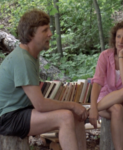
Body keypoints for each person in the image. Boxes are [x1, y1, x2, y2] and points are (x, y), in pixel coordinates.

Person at [0, 9, 88, 150]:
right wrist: (72, 104)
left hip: (21, 111)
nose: (50, 34)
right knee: (65, 117)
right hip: (8, 118)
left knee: (75, 115)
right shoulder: (23, 59)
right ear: (30, 34)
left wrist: (73, 107)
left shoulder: (30, 56)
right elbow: (40, 104)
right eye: (45, 30)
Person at [89, 21, 123, 150]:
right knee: (117, 108)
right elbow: (97, 83)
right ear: (114, 37)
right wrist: (93, 106)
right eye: (118, 36)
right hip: (108, 103)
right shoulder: (105, 55)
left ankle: (90, 111)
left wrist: (121, 56)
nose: (121, 41)